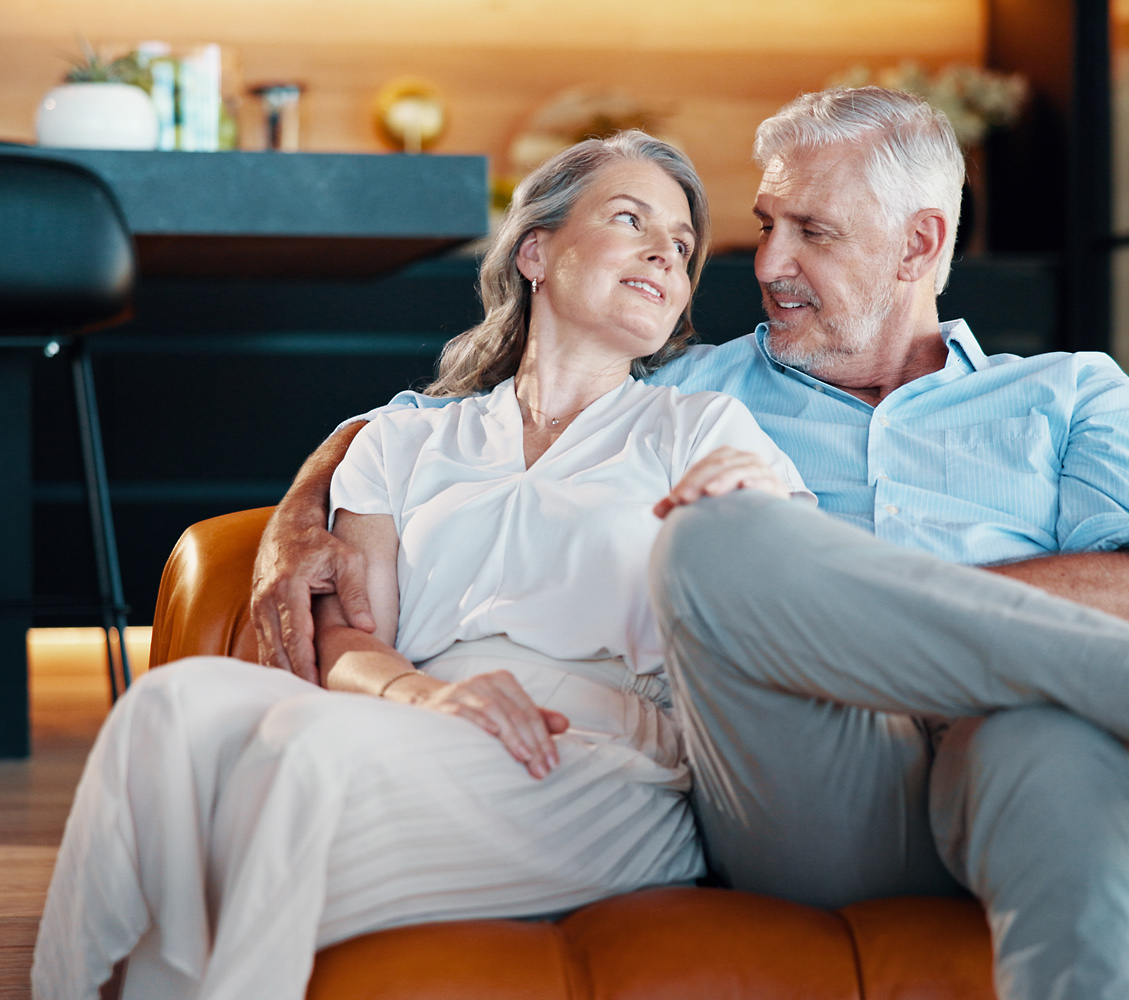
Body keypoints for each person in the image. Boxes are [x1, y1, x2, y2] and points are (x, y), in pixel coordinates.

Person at [252, 89, 1129, 1000]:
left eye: (816, 235)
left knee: (1051, 728)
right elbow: (435, 422)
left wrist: (864, 617)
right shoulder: (697, 392)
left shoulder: (1076, 397)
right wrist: (295, 522)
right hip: (811, 789)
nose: (766, 266)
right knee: (714, 547)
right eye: (765, 225)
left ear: (922, 246)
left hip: (1044, 757)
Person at [33, 131, 809, 1000]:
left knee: (295, 764)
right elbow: (352, 640)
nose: (666, 250)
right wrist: (426, 696)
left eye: (682, 244)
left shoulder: (700, 429)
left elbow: (786, 586)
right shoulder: (403, 437)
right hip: (413, 711)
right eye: (632, 219)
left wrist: (754, 523)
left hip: (598, 755)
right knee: (166, 709)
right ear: (535, 252)